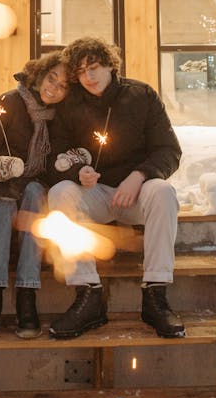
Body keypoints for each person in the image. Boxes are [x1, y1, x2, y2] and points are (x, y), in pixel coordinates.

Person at [46, 36, 185, 340]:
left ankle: (155, 296)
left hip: (136, 193)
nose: (89, 77)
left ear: (110, 64)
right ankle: (88, 295)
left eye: (94, 67)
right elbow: (56, 154)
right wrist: (75, 170)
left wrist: (140, 176)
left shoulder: (141, 96)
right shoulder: (70, 105)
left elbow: (169, 150)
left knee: (163, 192)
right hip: (94, 195)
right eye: (81, 72)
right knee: (59, 194)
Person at [0, 52, 69, 340]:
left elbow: (57, 167)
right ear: (40, 73)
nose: (55, 88)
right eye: (52, 78)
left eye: (64, 86)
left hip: (34, 185)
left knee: (36, 193)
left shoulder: (60, 118)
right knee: (2, 203)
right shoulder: (8, 103)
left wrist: (67, 165)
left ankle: (27, 296)